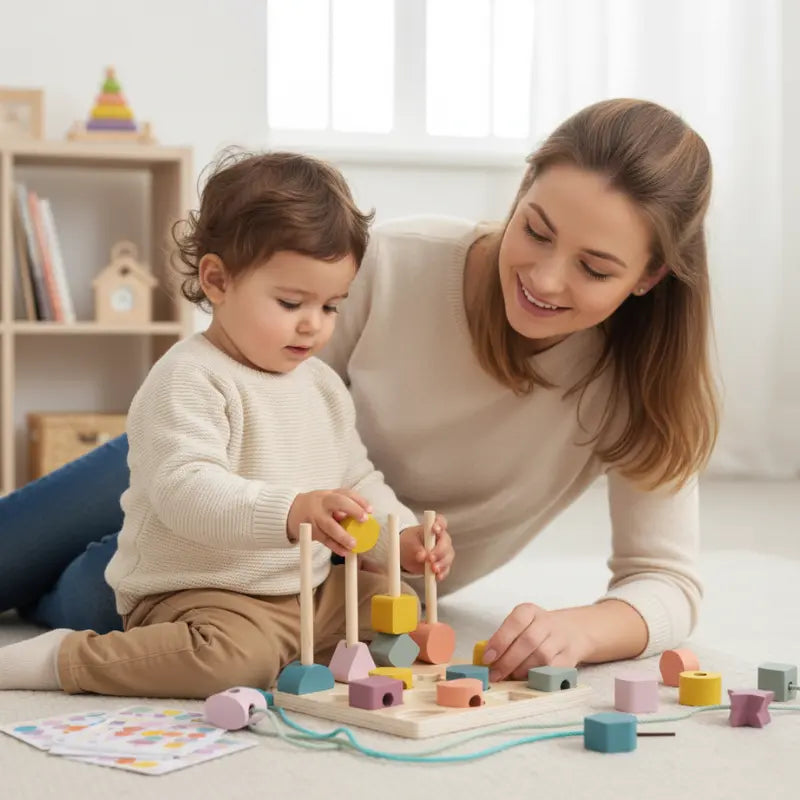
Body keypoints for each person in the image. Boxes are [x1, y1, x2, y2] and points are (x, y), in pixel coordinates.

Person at [0, 98, 718, 683]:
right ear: (522, 188)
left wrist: (579, 631)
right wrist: (277, 509)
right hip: (227, 470)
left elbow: (667, 582)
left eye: (595, 269)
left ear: (650, 277)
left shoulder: (643, 385)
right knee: (32, 546)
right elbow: (247, 378)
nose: (545, 278)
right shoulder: (400, 263)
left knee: (102, 594)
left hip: (326, 573)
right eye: (535, 229)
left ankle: (54, 598)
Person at [0, 151, 454, 696]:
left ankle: (301, 646)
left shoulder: (322, 387)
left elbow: (358, 482)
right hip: (204, 590)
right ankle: (64, 658)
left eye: (332, 306)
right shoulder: (189, 377)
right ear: (216, 280)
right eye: (291, 302)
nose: (313, 325)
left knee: (401, 603)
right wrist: (288, 512)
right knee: (232, 664)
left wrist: (399, 535)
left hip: (305, 588)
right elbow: (186, 491)